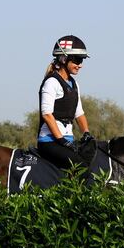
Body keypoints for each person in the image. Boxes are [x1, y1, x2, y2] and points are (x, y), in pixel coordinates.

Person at [37, 35, 96, 170]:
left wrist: (86, 133)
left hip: (67, 140)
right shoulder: (51, 82)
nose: (80, 65)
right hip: (50, 141)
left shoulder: (74, 84)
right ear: (63, 59)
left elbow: (79, 113)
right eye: (77, 60)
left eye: (82, 60)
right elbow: (46, 114)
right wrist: (61, 140)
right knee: (80, 167)